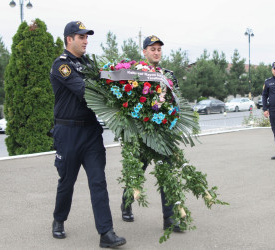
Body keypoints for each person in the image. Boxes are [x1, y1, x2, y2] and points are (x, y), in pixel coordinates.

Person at [50, 21, 126, 248]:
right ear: (69, 39)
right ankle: (59, 219)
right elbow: (85, 91)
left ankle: (106, 233)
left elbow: (106, 80)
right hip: (68, 132)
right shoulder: (61, 65)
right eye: (81, 37)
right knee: (67, 181)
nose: (85, 41)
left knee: (98, 181)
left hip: (91, 132)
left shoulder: (90, 63)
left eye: (86, 37)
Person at [120, 35, 181, 232]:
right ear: (144, 51)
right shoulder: (135, 73)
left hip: (163, 135)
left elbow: (177, 102)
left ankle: (169, 219)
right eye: (152, 49)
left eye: (159, 49)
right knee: (137, 171)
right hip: (143, 135)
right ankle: (127, 202)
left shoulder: (168, 75)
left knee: (166, 175)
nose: (156, 52)